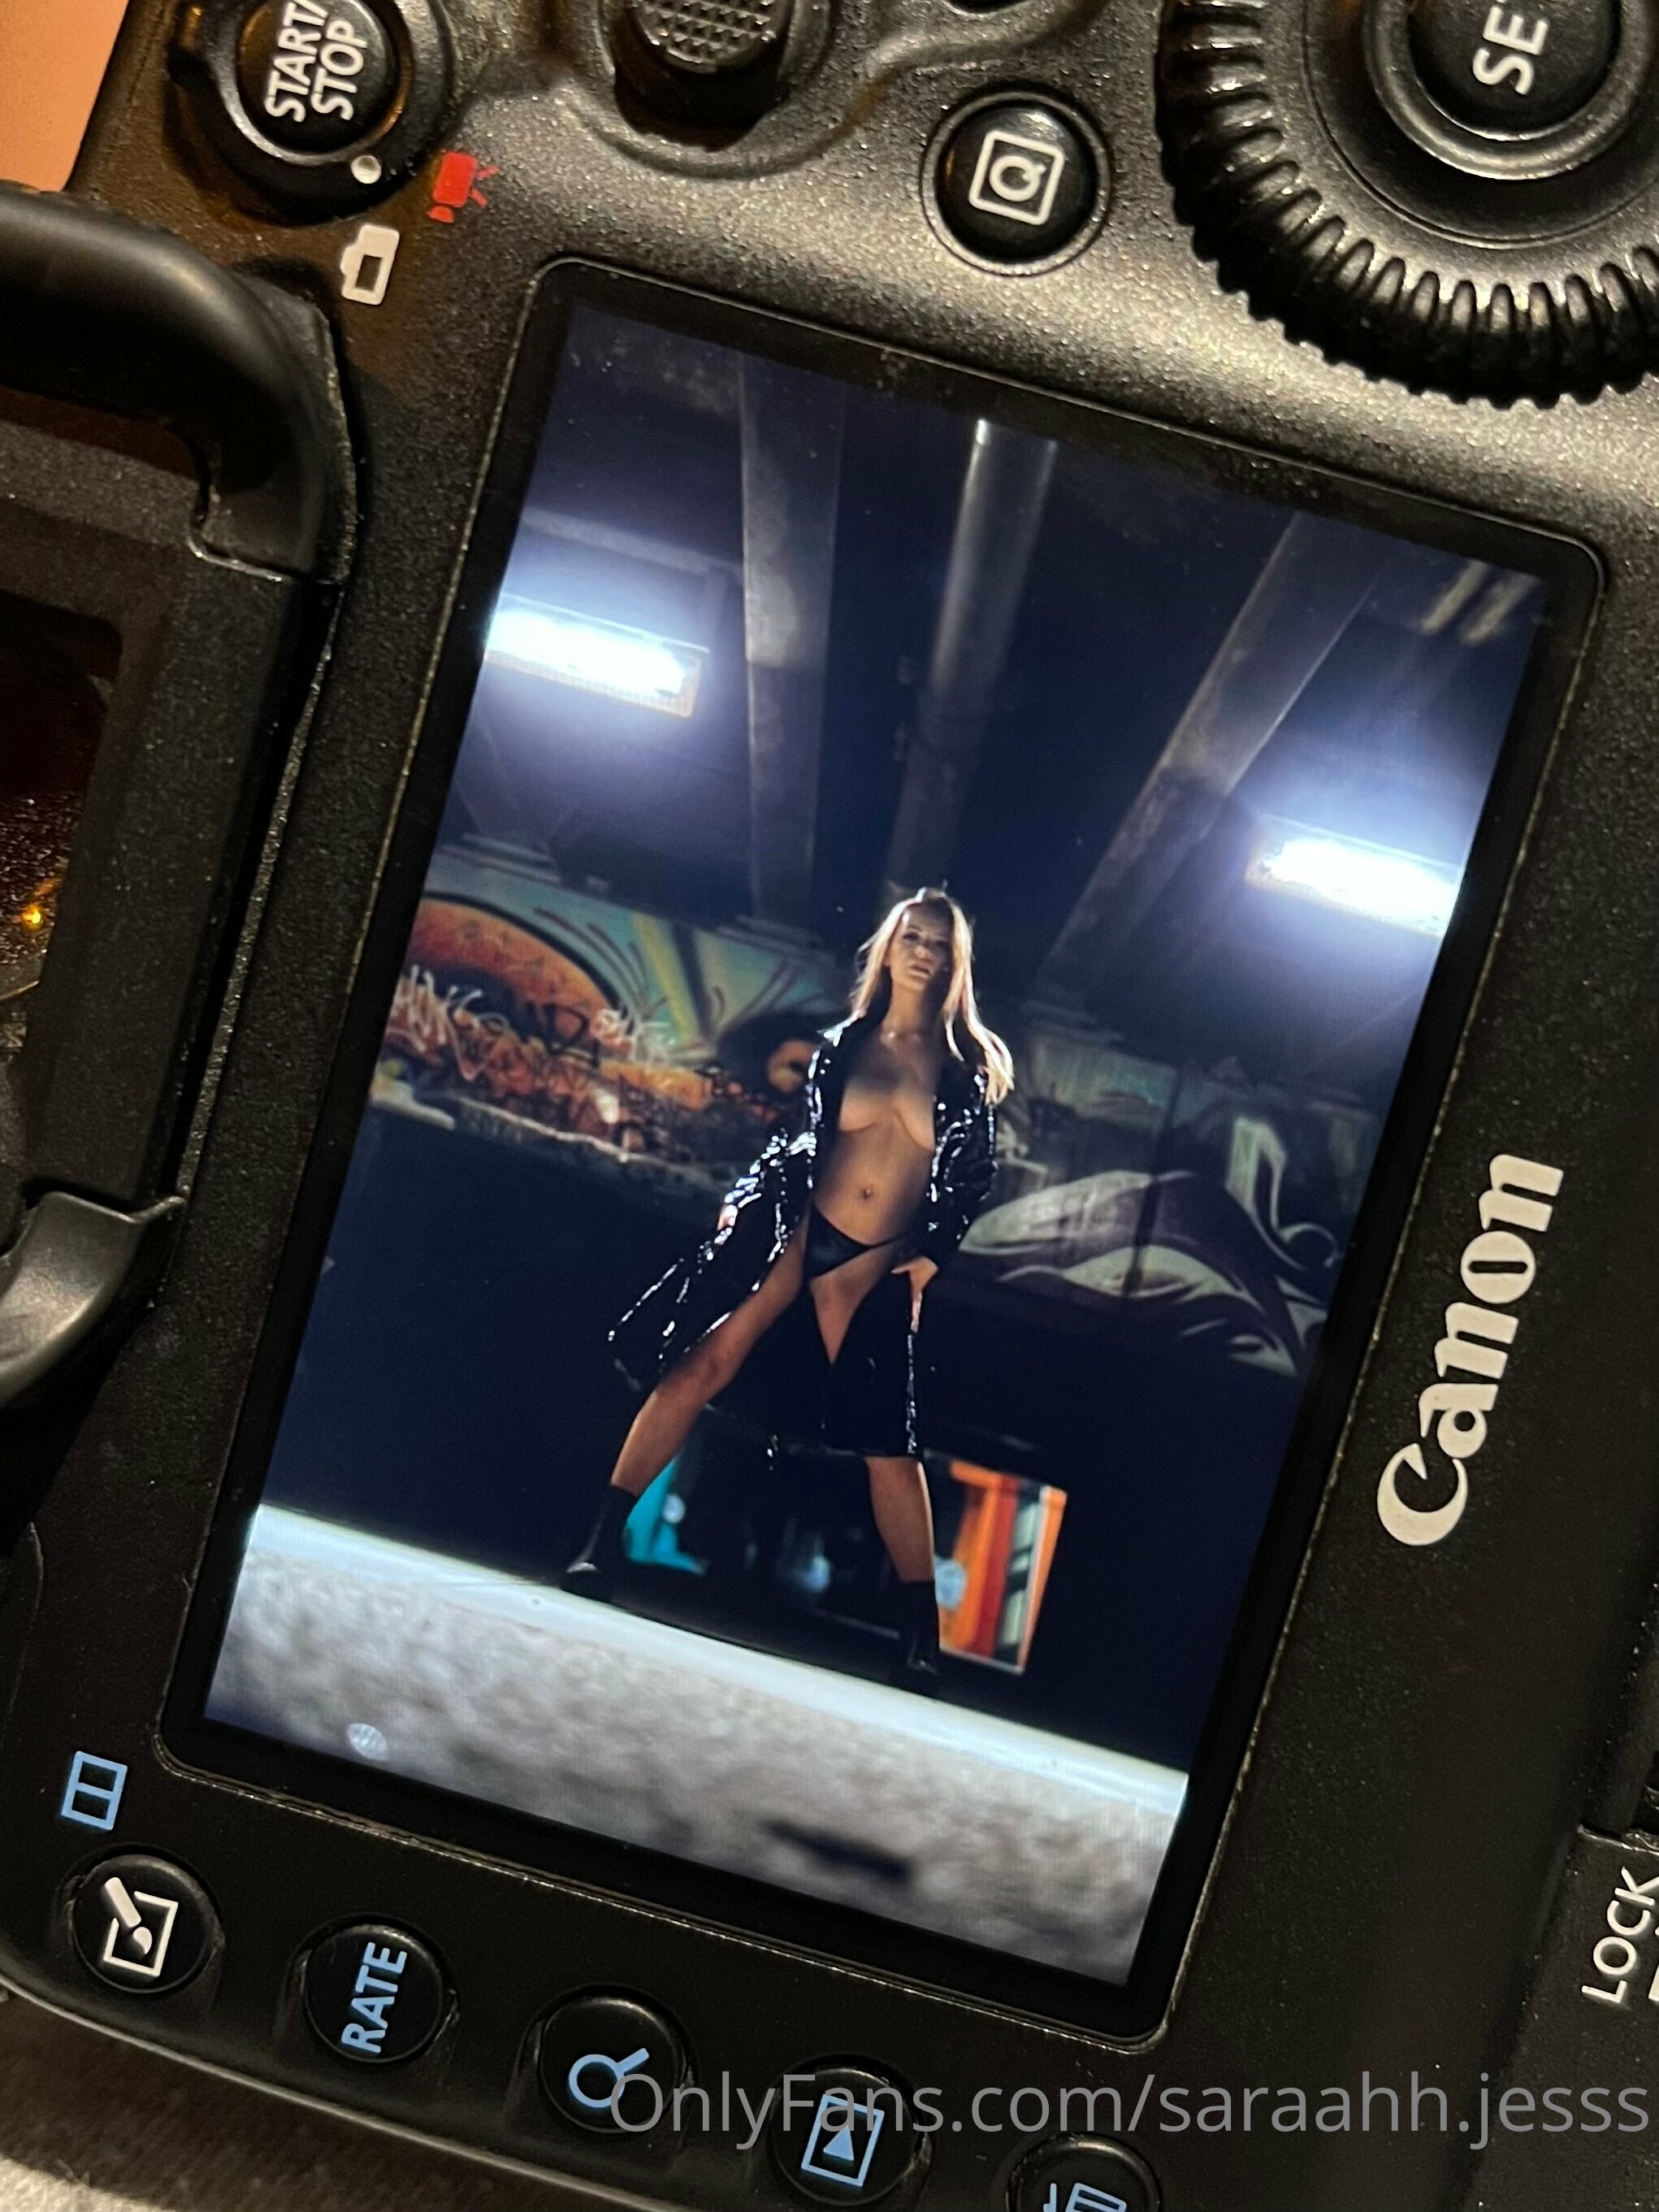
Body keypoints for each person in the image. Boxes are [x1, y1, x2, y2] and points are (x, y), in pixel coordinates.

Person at [565, 889, 1014, 1692]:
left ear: (955, 962)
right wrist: (746, 1193)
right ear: (888, 948)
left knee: (887, 1442)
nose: (922, 952)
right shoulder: (843, 1045)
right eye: (911, 938)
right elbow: (798, 1140)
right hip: (797, 1230)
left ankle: (920, 1637)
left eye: (937, 944)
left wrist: (930, 1259)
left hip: (876, 1258)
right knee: (698, 1367)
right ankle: (597, 1544)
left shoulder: (964, 1067)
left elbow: (972, 1176)